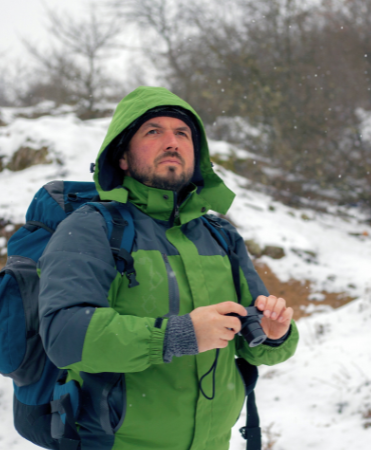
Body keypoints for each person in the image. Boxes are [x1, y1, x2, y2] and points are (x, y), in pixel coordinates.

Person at [37, 86, 298, 450]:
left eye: (182, 133)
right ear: (123, 157)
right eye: (153, 131)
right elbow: (66, 336)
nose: (172, 142)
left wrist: (273, 334)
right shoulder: (92, 228)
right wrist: (180, 335)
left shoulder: (220, 235)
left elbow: (256, 342)